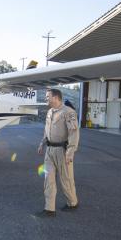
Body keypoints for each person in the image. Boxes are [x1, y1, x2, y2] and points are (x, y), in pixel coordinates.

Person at [36, 88, 79, 216]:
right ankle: (49, 209)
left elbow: (74, 133)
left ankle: (72, 203)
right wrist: (42, 143)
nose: (46, 98)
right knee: (48, 179)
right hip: (49, 151)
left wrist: (70, 152)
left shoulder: (68, 112)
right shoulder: (49, 111)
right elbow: (47, 129)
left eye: (47, 96)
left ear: (55, 97)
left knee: (66, 180)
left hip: (62, 151)